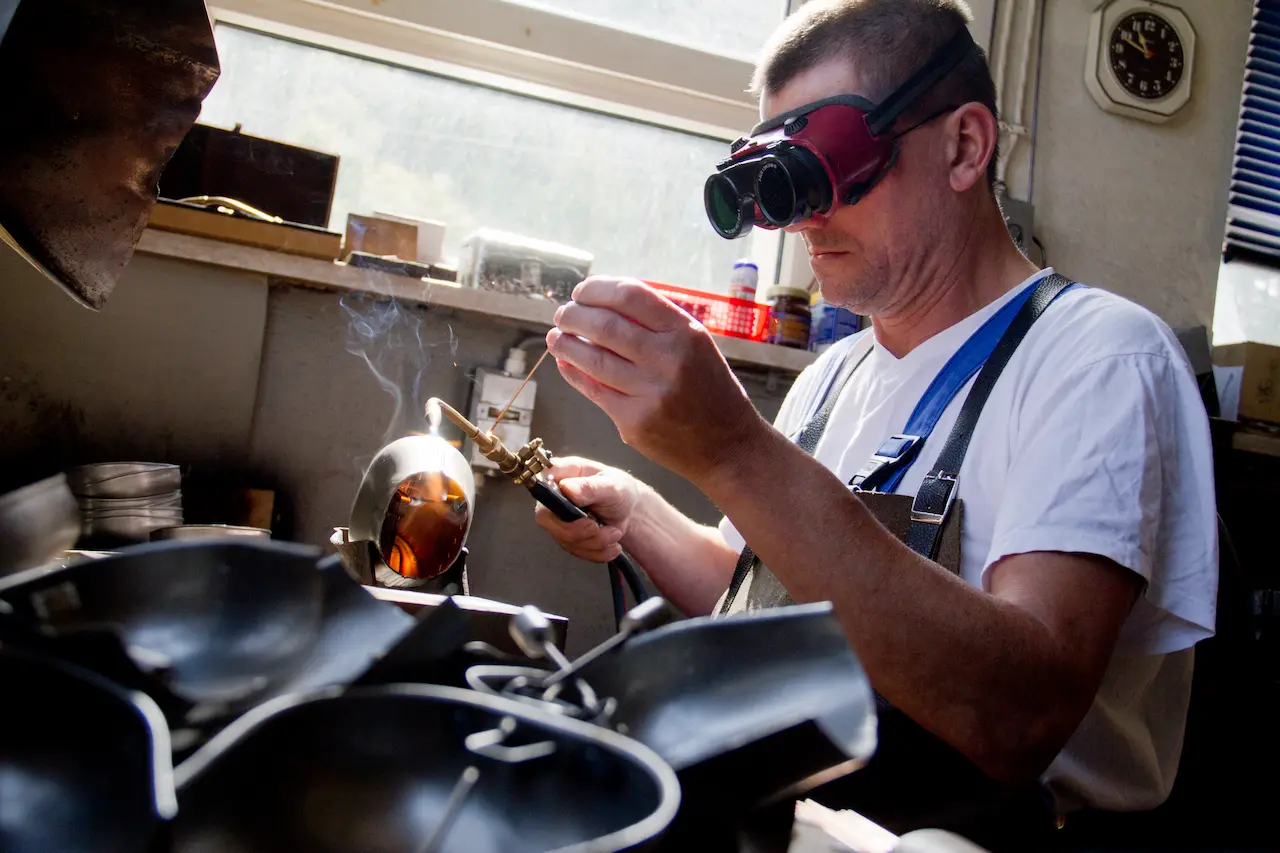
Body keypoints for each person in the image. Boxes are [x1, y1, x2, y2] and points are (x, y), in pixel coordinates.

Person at [535, 0, 1217, 846]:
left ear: (964, 146)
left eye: (825, 168)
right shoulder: (834, 376)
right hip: (822, 814)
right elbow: (770, 598)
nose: (800, 217)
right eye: (777, 182)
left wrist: (736, 451)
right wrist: (637, 508)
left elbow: (1021, 712)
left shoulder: (1100, 356)